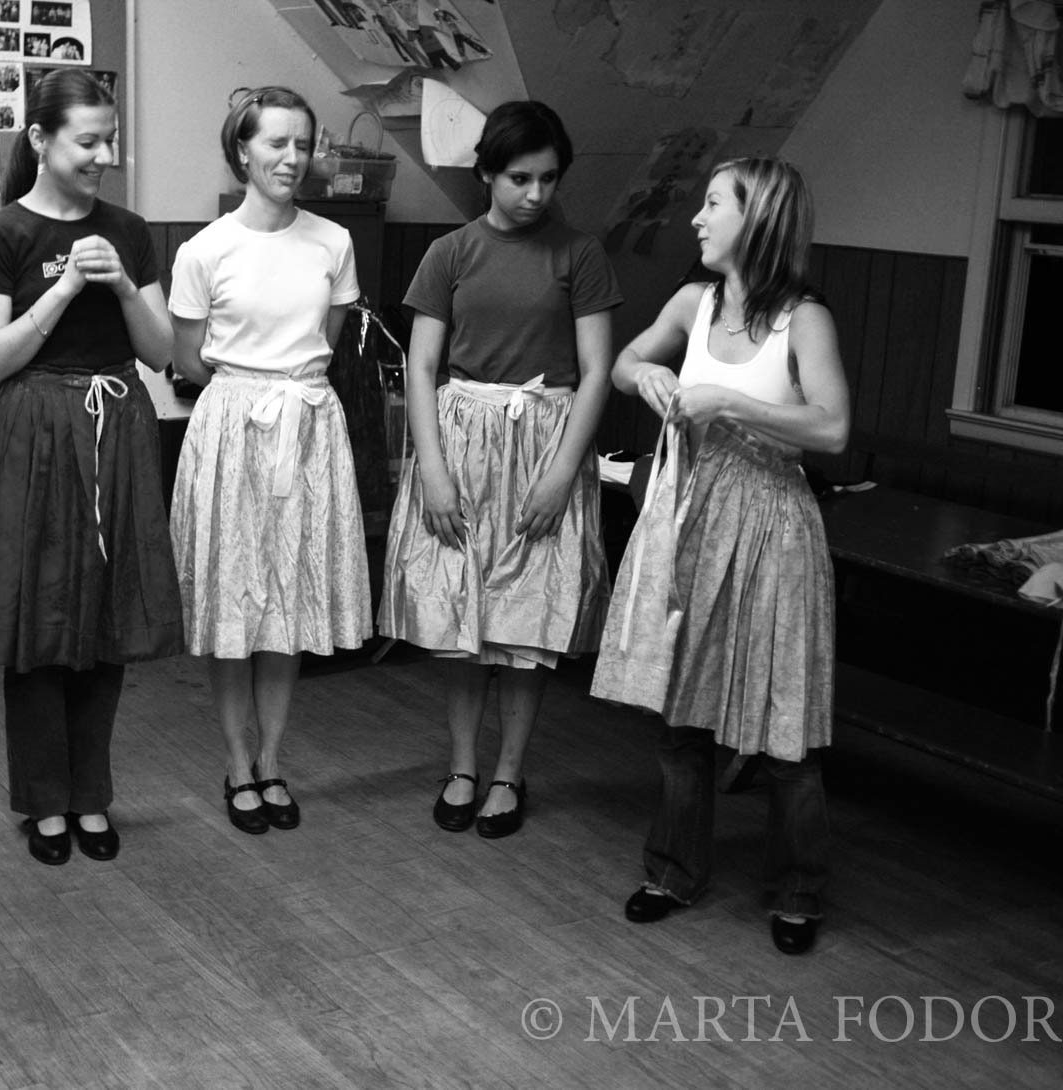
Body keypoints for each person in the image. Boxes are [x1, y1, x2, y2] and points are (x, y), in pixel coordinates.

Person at [590, 157, 848, 955]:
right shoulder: (692, 303)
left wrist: (730, 401)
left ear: (758, 218)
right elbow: (627, 361)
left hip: (775, 524)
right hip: (694, 518)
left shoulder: (804, 319)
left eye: (712, 204)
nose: (696, 219)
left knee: (787, 728)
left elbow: (834, 431)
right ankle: (672, 869)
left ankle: (798, 889)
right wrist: (653, 380)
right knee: (682, 713)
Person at [378, 101, 619, 839]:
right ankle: (460, 765)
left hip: (545, 441)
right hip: (461, 441)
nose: (537, 194)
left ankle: (510, 772)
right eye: (520, 178)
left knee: (526, 624)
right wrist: (434, 474)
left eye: (549, 179)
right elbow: (420, 366)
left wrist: (561, 472)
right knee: (459, 620)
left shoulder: (579, 254)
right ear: (487, 173)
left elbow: (598, 368)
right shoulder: (451, 252)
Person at [0, 69, 182, 867]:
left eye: (109, 139)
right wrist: (60, 292)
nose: (103, 155)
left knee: (106, 616)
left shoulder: (127, 227)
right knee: (38, 619)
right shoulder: (4, 234)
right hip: (35, 428)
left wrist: (121, 281)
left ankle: (91, 796)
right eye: (88, 141)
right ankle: (43, 803)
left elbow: (162, 354)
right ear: (41, 141)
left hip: (116, 425)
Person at [168, 86, 369, 835]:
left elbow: (332, 334)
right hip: (231, 429)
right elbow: (189, 362)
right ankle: (236, 761)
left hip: (309, 425)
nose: (292, 157)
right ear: (242, 150)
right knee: (233, 606)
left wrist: (290, 391)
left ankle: (275, 760)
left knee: (288, 602)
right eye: (276, 143)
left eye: (303, 143)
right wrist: (252, 389)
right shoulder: (205, 249)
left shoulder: (332, 242)